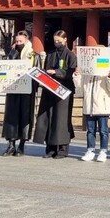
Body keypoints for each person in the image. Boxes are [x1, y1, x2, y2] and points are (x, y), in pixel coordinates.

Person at [34, 30, 77, 159]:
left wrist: (57, 72)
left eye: (59, 41)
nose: (57, 43)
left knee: (62, 120)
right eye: (55, 41)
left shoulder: (71, 55)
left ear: (65, 40)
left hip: (64, 90)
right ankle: (50, 148)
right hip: (49, 89)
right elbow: (45, 68)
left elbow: (70, 73)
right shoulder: (51, 54)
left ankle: (63, 149)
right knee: (49, 117)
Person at [1, 30, 40, 157]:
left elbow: (37, 73)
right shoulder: (13, 53)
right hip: (13, 90)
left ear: (27, 40)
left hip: (27, 91)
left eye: (20, 41)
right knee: (11, 117)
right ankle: (11, 144)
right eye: (16, 41)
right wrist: (12, 52)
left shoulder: (34, 55)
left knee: (25, 117)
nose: (18, 43)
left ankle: (22, 145)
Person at [74, 63, 110, 162]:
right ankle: (90, 150)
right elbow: (80, 86)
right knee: (90, 130)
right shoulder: (87, 70)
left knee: (103, 130)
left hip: (102, 105)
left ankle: (103, 151)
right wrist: (77, 75)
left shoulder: (108, 67)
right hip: (89, 105)